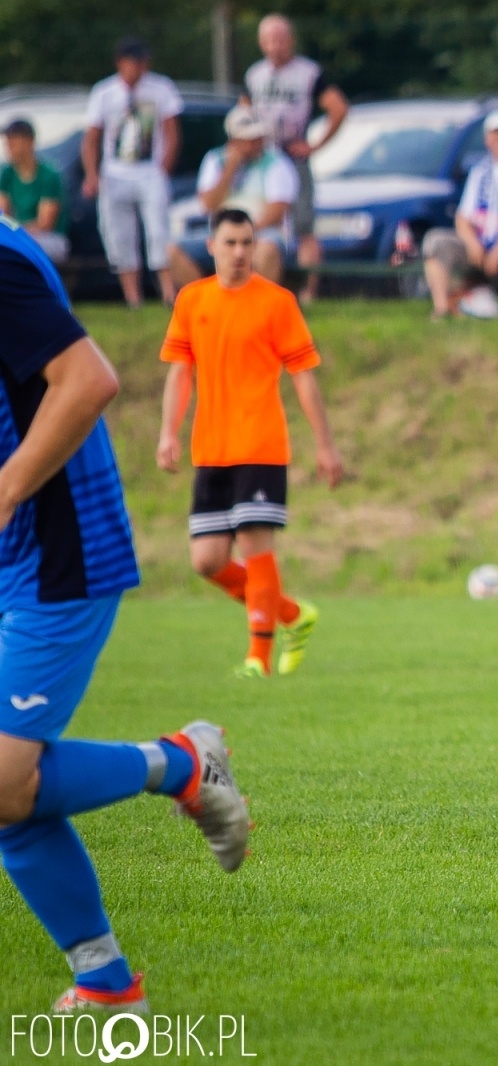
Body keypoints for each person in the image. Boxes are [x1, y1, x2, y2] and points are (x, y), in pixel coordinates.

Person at [0, 208, 249, 1016]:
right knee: (8, 789)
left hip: (54, 553)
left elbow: (88, 380)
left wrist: (3, 493)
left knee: (3, 781)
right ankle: (107, 983)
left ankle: (180, 763)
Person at [157, 209, 343, 679]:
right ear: (213, 247)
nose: (240, 252)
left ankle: (257, 660)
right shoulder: (191, 300)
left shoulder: (277, 303)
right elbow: (180, 374)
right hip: (211, 449)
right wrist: (168, 433)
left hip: (261, 445)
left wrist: (326, 445)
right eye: (231, 243)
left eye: (247, 243)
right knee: (207, 560)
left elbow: (304, 378)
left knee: (256, 548)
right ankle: (291, 615)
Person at [242, 13, 351, 304]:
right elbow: (242, 113)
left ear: (291, 41)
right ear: (261, 43)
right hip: (263, 157)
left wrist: (314, 146)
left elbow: (338, 108)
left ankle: (307, 293)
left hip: (292, 154)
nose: (276, 46)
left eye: (281, 39)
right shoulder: (255, 75)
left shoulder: (308, 73)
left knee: (303, 224)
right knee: (261, 219)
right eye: (270, 40)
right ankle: (258, 289)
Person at [82, 38, 183, 308]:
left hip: (149, 170)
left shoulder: (160, 89)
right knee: (119, 234)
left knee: (158, 230)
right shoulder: (104, 92)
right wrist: (92, 175)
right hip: (115, 171)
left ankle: (167, 293)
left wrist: (163, 168)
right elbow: (91, 137)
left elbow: (172, 132)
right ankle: (133, 297)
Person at [422, 110, 498, 321]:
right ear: (488, 140)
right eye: (496, 136)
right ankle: (441, 309)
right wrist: (473, 244)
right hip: (479, 242)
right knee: (435, 241)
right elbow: (463, 217)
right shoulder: (479, 171)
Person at [169, 106, 298, 287]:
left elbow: (277, 211)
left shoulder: (277, 163)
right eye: (248, 139)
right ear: (234, 140)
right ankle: (211, 302)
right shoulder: (214, 160)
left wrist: (244, 233)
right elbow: (207, 204)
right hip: (220, 231)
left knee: (266, 249)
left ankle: (258, 306)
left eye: (257, 138)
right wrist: (229, 169)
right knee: (173, 250)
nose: (255, 143)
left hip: (262, 231)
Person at [0, 119, 71, 265]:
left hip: (49, 238)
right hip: (20, 236)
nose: (8, 146)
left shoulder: (49, 175)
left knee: (22, 249)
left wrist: (14, 231)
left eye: (13, 141)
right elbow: (4, 215)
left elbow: (44, 224)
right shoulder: (6, 174)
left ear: (29, 141)